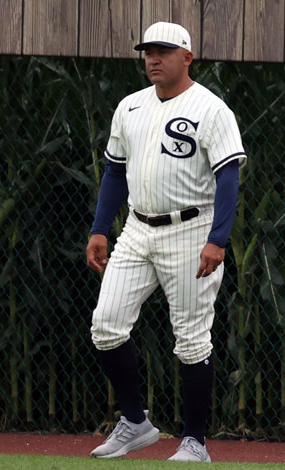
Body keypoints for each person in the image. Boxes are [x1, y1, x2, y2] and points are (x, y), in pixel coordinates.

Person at [85, 21, 246, 462]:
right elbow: (115, 171)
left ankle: (194, 441)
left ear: (187, 57)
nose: (153, 59)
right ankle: (135, 421)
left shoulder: (211, 109)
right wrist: (99, 228)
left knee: (191, 340)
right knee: (106, 325)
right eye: (148, 52)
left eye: (163, 51)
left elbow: (228, 177)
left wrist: (218, 239)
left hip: (191, 229)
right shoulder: (130, 106)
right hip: (137, 229)